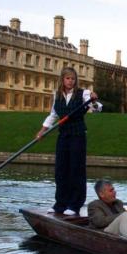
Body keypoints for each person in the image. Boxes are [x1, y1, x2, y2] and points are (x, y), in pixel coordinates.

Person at [36, 67, 100, 216]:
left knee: (75, 170)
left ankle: (74, 204)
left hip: (78, 135)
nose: (70, 81)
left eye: (73, 79)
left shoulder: (83, 94)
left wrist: (94, 100)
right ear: (62, 80)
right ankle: (60, 203)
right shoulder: (57, 95)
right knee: (61, 170)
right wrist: (42, 131)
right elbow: (53, 115)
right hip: (63, 135)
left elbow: (97, 109)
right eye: (68, 78)